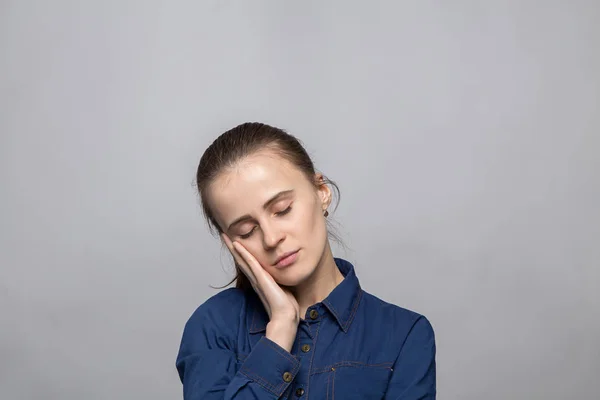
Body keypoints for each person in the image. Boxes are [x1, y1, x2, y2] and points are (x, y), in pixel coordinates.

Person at [175, 122, 436, 399]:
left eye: (282, 210)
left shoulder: (405, 335)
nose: (272, 238)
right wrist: (279, 334)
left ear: (321, 192)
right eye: (247, 230)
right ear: (231, 243)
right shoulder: (213, 326)